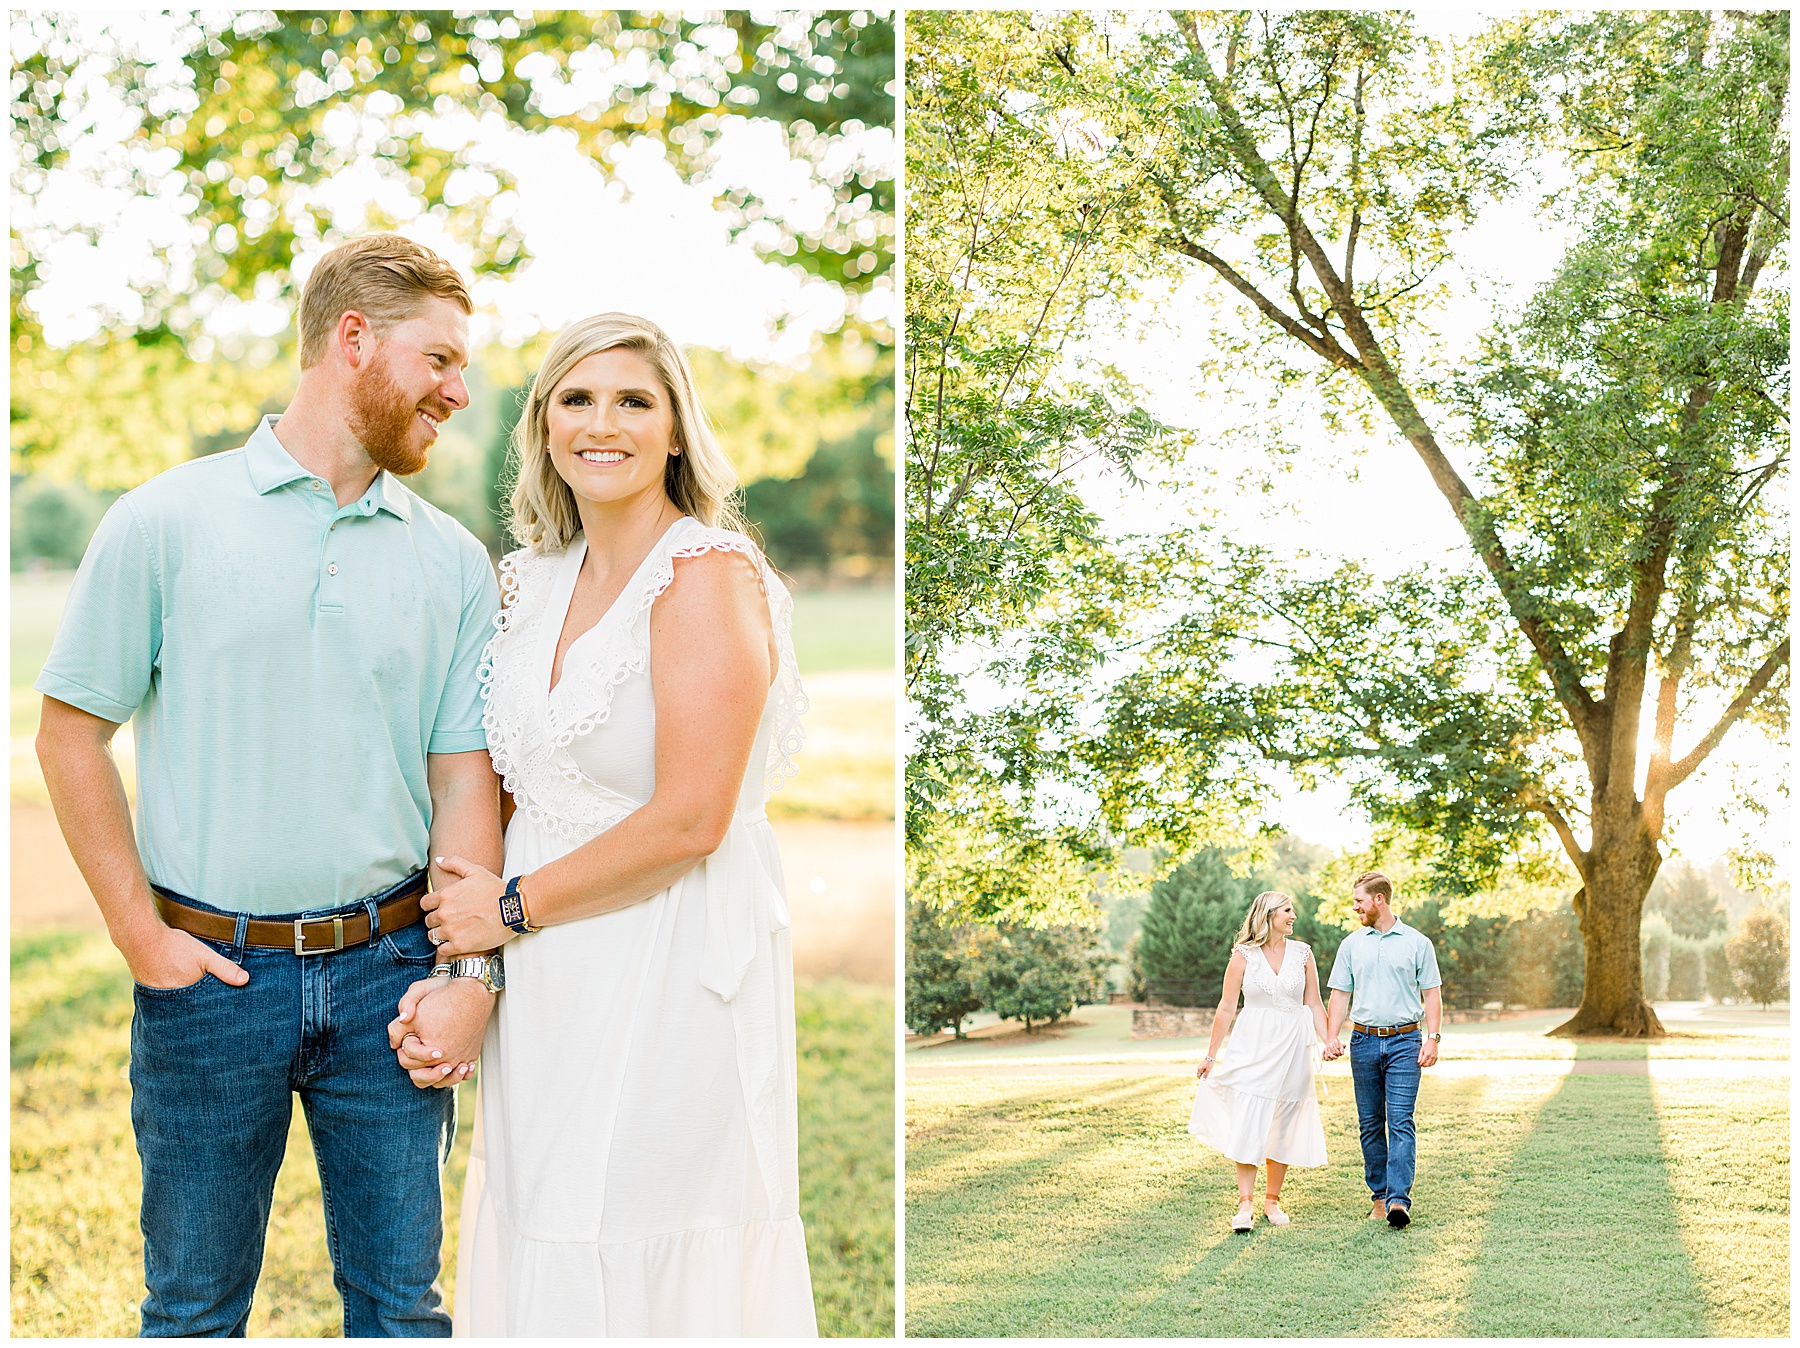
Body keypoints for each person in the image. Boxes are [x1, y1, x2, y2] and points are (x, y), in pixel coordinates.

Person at [34, 233, 505, 1336]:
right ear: (355, 339)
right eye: (439, 359)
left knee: (402, 1312)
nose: (458, 390)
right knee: (193, 1311)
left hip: (391, 982)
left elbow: (463, 782)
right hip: (210, 983)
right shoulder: (163, 520)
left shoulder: (451, 560)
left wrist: (467, 973)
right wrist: (143, 941)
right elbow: (70, 736)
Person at [396, 312, 818, 1336]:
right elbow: (495, 783)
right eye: (577, 400)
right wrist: (473, 968)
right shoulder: (526, 582)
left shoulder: (707, 574)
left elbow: (692, 820)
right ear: (543, 426)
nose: (603, 424)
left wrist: (509, 908)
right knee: (545, 1212)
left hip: (669, 953)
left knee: (636, 1220)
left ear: (675, 430)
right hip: (544, 966)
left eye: (634, 401)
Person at [1190, 890, 1330, 1231]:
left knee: (1284, 1120)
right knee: (1250, 1118)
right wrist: (1211, 1055)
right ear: (1268, 916)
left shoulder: (1303, 954)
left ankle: (1272, 1201)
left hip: (1293, 1047)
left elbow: (1314, 1002)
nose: (1293, 916)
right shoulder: (1243, 956)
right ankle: (1245, 1204)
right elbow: (1226, 1007)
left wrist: (1329, 1039)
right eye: (1287, 910)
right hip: (1252, 1045)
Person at [1322, 870, 1443, 1228]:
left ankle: (1398, 1201)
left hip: (1406, 1041)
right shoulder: (1351, 944)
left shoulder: (1418, 943)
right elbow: (1339, 994)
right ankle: (1379, 1196)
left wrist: (1433, 1038)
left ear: (1379, 899)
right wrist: (1331, 1037)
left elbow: (1432, 994)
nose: (1355, 907)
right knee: (1371, 1123)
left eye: (1359, 900)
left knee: (1401, 1120)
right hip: (1363, 1042)